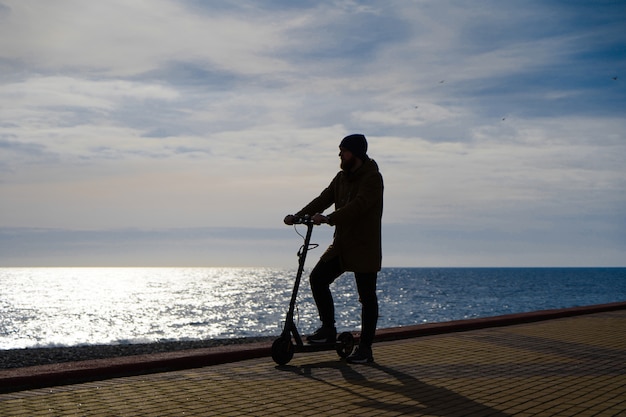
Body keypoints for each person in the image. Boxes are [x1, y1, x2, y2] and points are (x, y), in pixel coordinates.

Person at [284, 133, 384, 364]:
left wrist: (329, 219)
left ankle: (365, 349)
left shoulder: (372, 178)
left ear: (356, 153)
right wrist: (299, 216)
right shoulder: (341, 177)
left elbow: (358, 206)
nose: (340, 154)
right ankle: (328, 328)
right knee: (318, 278)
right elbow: (324, 198)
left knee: (366, 297)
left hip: (364, 246)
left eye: (344, 151)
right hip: (342, 244)